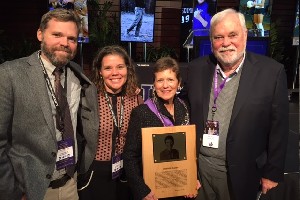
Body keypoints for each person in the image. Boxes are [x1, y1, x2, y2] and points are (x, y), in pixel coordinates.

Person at [183, 8, 289, 200]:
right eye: (218, 37)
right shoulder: (195, 69)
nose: (225, 43)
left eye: (232, 35)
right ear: (211, 40)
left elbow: (279, 128)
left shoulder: (271, 73)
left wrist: (272, 173)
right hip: (199, 171)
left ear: (245, 35)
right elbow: (180, 109)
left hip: (242, 172)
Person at [0, 8, 99, 200]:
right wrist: (11, 191)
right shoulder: (9, 74)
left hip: (70, 184)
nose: (65, 43)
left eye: (72, 38)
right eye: (57, 35)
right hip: (31, 190)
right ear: (40, 34)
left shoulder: (77, 74)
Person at [124, 57, 200, 200]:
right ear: (154, 83)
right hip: (153, 192)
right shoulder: (141, 113)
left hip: (181, 189)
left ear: (179, 83)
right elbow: (129, 156)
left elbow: (190, 151)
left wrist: (191, 179)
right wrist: (142, 190)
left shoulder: (186, 108)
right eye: (160, 80)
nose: (165, 85)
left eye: (170, 80)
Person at [77, 45, 143, 200]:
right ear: (100, 72)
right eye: (108, 68)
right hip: (94, 173)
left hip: (125, 173)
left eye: (120, 67)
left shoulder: (136, 99)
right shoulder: (88, 98)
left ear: (127, 69)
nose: (115, 73)